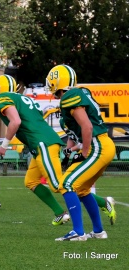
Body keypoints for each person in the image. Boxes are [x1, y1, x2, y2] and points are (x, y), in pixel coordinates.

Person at [46, 65, 116, 241]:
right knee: (83, 190)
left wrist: (84, 152)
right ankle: (99, 231)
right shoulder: (80, 92)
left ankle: (78, 231)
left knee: (66, 184)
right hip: (103, 144)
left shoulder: (70, 96)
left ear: (57, 81)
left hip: (97, 145)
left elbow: (87, 126)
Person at [0, 74, 70, 226]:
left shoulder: (1, 98)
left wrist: (4, 145)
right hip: (41, 143)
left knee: (58, 184)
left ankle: (102, 202)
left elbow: (15, 122)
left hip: (42, 144)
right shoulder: (24, 98)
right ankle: (60, 213)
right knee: (31, 181)